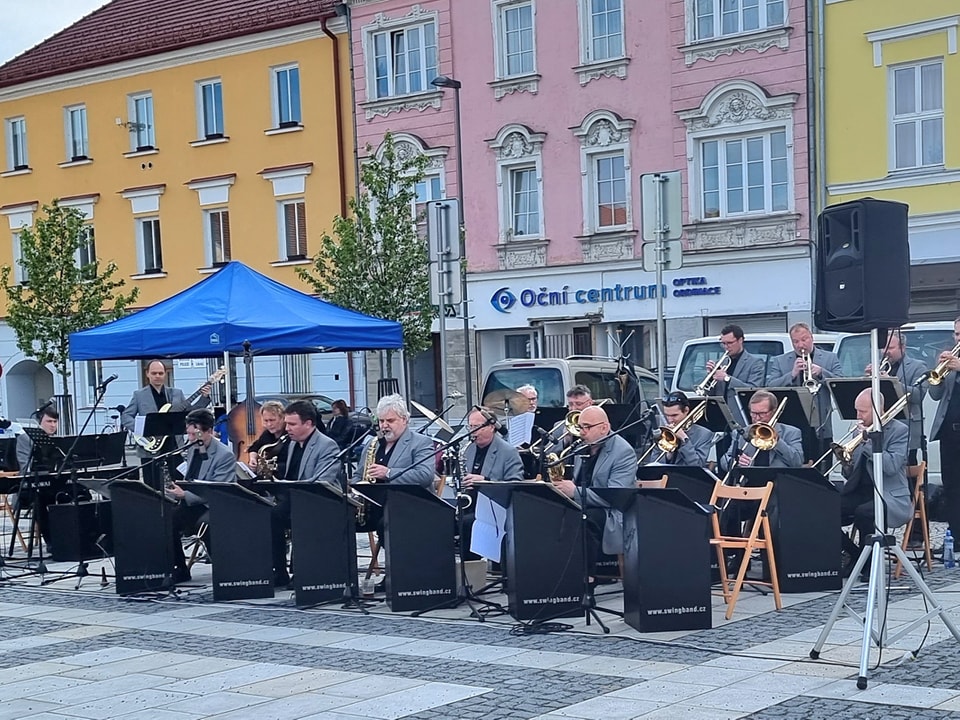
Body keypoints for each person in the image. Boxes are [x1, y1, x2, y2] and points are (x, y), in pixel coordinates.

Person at [551, 406, 635, 593]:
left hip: (611, 512)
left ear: (604, 427)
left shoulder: (623, 452)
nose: (581, 432)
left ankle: (586, 579)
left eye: (587, 427)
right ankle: (557, 576)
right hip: (585, 503)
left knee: (583, 520)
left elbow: (615, 496)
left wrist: (575, 492)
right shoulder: (582, 446)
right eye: (580, 427)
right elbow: (578, 481)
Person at [840, 388, 911, 580]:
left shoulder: (899, 431)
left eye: (862, 411)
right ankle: (857, 557)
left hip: (888, 495)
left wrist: (869, 443)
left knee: (865, 513)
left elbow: (890, 466)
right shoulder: (858, 432)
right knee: (824, 511)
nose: (858, 416)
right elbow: (848, 473)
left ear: (878, 410)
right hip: (860, 491)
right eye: (857, 411)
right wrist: (846, 463)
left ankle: (870, 567)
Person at [270, 400, 341, 586]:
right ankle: (279, 571)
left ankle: (303, 571)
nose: (287, 429)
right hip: (295, 499)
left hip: (320, 502)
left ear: (308, 424)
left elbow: (323, 481)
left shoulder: (327, 445)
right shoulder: (293, 444)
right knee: (268, 515)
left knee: (291, 516)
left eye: (292, 424)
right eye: (286, 424)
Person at [166, 409, 235, 583]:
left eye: (195, 434)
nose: (190, 438)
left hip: (212, 504)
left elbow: (218, 489)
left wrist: (185, 495)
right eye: (188, 433)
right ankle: (179, 568)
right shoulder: (192, 448)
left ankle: (224, 568)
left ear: (209, 431)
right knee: (166, 520)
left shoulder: (224, 455)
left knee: (205, 524)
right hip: (192, 501)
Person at [122, 360, 211, 491]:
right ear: (147, 374)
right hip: (149, 447)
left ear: (165, 374)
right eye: (154, 373)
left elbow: (193, 414)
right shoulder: (139, 395)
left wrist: (204, 397)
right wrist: (141, 429)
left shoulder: (177, 393)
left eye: (160, 373)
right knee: (152, 486)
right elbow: (126, 416)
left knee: (181, 481)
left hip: (174, 445)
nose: (157, 376)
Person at [766, 322, 843, 467]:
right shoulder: (780, 361)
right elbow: (769, 387)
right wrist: (792, 374)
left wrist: (822, 372)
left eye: (804, 339)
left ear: (812, 338)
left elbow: (840, 384)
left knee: (821, 466)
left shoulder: (830, 358)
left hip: (821, 423)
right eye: (796, 341)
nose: (800, 344)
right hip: (792, 422)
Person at [459, 407, 524, 560]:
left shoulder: (508, 452)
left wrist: (485, 481)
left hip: (495, 508)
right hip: (472, 504)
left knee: (467, 524)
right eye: (471, 427)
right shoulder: (468, 449)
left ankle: (473, 572)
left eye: (477, 427)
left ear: (491, 426)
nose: (473, 432)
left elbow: (515, 484)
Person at [866, 328, 928, 465]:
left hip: (907, 426)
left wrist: (893, 383)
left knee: (908, 467)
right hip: (884, 426)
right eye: (884, 348)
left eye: (891, 348)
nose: (885, 352)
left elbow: (918, 395)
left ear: (903, 347)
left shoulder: (918, 366)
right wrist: (869, 379)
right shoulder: (880, 366)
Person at [705, 325, 764, 457]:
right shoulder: (723, 361)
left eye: (730, 343)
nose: (726, 347)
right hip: (722, 418)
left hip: (741, 418)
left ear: (741, 340)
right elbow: (711, 393)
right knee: (722, 458)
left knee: (739, 456)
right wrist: (710, 377)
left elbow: (753, 389)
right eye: (723, 343)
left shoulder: (755, 363)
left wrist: (727, 378)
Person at [929, 317, 960, 546]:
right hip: (949, 433)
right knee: (951, 486)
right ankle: (956, 537)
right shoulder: (949, 359)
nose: (958, 339)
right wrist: (938, 375)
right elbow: (935, 395)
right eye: (957, 335)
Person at [361, 394, 436, 488]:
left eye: (390, 421)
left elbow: (425, 476)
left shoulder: (421, 442)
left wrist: (388, 473)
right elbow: (358, 475)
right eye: (381, 421)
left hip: (406, 500)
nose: (384, 425)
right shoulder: (372, 443)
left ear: (404, 420)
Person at [719, 390, 804, 473]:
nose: (757, 418)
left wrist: (777, 440)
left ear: (774, 412)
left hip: (778, 482)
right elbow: (724, 461)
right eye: (753, 413)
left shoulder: (791, 432)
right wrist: (736, 461)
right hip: (749, 483)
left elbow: (797, 463)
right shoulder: (741, 433)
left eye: (762, 413)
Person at [14, 404, 62, 545]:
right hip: (30, 487)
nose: (53, 425)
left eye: (55, 422)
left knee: (78, 495)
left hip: (55, 484)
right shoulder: (25, 439)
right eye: (49, 421)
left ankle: (72, 540)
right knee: (43, 500)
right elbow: (25, 468)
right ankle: (52, 543)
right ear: (39, 422)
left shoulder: (60, 441)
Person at [641, 391, 714, 466]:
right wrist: (668, 455)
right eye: (667, 415)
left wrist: (684, 439)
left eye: (674, 415)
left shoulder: (704, 434)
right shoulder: (663, 433)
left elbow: (698, 465)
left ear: (686, 410)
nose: (670, 420)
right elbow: (653, 463)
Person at [247, 401, 288, 478]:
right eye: (266, 421)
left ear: (283, 418)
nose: (269, 424)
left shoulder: (291, 435)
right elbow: (254, 447)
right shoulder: (267, 434)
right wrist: (253, 459)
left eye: (272, 420)